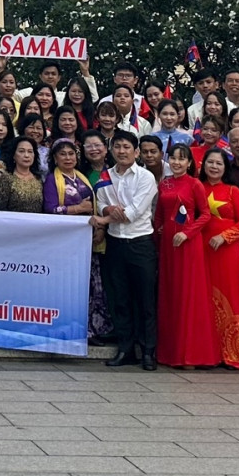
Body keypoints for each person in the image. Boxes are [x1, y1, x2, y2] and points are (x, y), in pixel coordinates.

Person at [95, 133, 159, 370]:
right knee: (119, 299)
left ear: (136, 152)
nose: (122, 151)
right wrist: (107, 209)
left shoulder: (146, 177)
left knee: (145, 301)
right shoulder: (105, 175)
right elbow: (100, 202)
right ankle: (125, 349)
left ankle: (148, 351)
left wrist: (103, 220)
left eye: (127, 147)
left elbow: (135, 211)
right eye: (118, 147)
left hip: (140, 244)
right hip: (115, 244)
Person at [154, 143, 218, 369]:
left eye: (182, 159)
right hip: (168, 246)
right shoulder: (164, 184)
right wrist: (158, 233)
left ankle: (191, 354)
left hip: (189, 245)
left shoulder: (195, 184)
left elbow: (206, 214)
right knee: (171, 295)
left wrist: (187, 233)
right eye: (173, 158)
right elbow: (160, 215)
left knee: (188, 296)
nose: (177, 163)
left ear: (190, 163)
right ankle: (171, 353)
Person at [198, 149, 239, 370]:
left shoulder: (234, 191)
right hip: (202, 253)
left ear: (226, 168)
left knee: (233, 298)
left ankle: (236, 353)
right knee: (204, 301)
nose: (214, 167)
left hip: (229, 254)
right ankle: (208, 353)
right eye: (210, 162)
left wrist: (224, 237)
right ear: (203, 165)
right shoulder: (197, 188)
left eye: (219, 163)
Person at [0, 138, 44, 212]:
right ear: (14, 155)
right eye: (21, 151)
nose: (26, 155)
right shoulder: (7, 178)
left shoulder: (38, 178)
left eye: (30, 151)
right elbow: (0, 208)